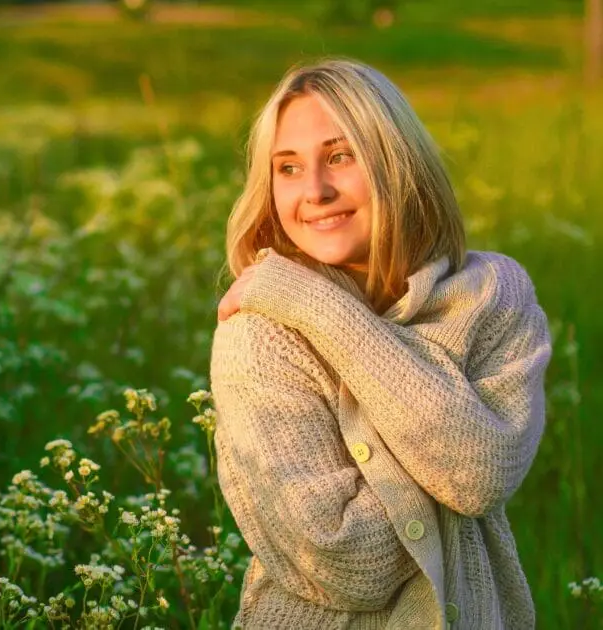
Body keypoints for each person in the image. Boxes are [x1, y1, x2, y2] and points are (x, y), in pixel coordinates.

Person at [210, 58, 552, 629]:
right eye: (288, 167)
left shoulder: (494, 296)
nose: (315, 190)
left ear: (399, 162)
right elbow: (341, 560)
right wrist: (440, 444)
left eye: (340, 157)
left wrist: (321, 310)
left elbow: (478, 474)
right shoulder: (260, 330)